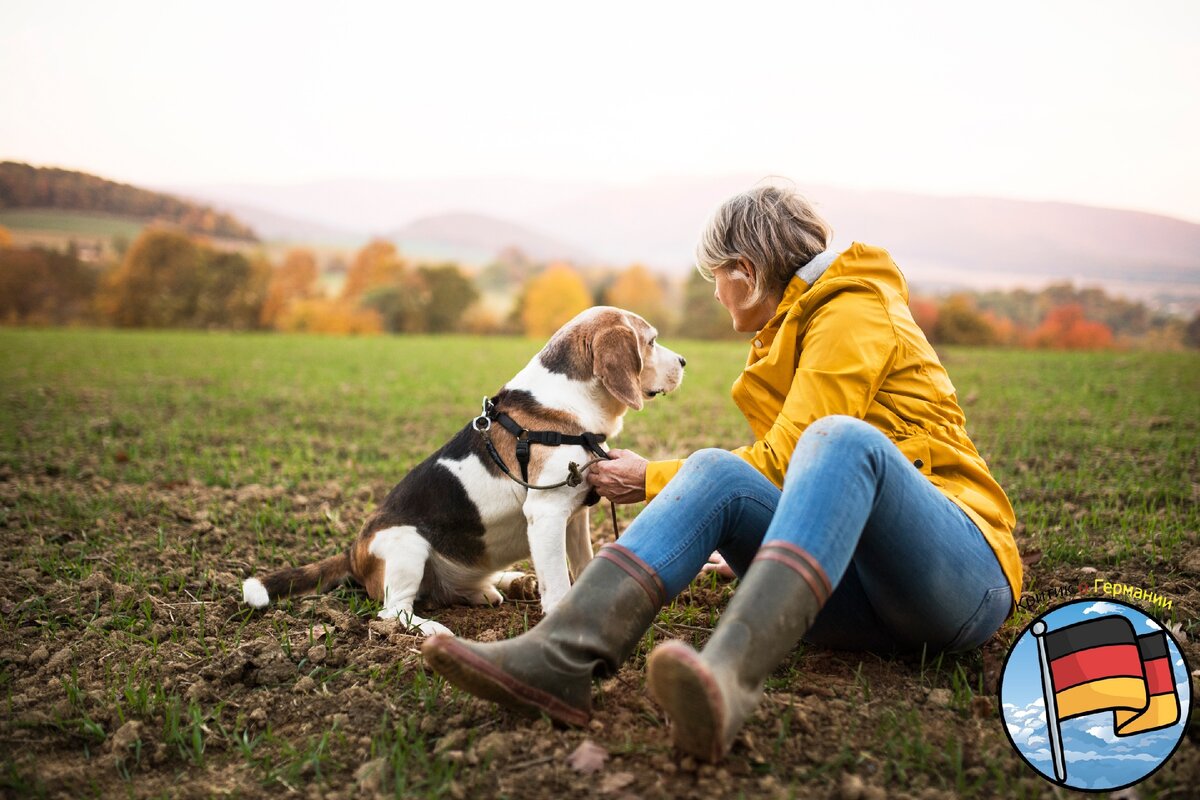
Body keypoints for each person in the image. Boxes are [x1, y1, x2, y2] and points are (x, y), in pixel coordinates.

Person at [422, 184, 1022, 763]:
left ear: (746, 270)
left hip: (959, 582)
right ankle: (560, 657)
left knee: (840, 439)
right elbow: (802, 480)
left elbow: (796, 456)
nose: (715, 292)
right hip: (860, 593)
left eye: (716, 276)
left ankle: (727, 681)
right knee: (716, 469)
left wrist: (649, 478)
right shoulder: (791, 329)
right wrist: (769, 539)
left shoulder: (852, 312)